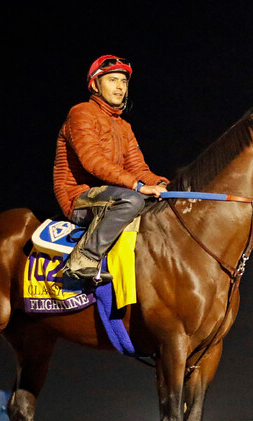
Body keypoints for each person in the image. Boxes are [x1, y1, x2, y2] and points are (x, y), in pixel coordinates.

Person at [53, 55, 169, 282]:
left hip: (112, 192)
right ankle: (82, 260)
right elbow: (92, 161)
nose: (120, 86)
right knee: (132, 200)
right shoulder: (81, 112)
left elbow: (138, 167)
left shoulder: (124, 126)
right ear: (95, 85)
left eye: (124, 82)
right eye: (113, 80)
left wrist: (162, 184)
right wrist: (138, 187)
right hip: (78, 196)